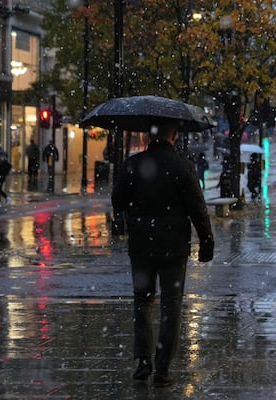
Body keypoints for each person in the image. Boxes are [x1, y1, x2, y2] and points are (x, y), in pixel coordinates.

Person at [111, 121, 214, 387]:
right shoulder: (182, 166)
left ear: (149, 135)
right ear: (175, 135)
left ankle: (143, 358)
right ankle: (163, 368)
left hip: (142, 244)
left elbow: (118, 201)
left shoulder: (133, 164)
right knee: (171, 305)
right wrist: (206, 240)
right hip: (174, 246)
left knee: (142, 301)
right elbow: (197, 207)